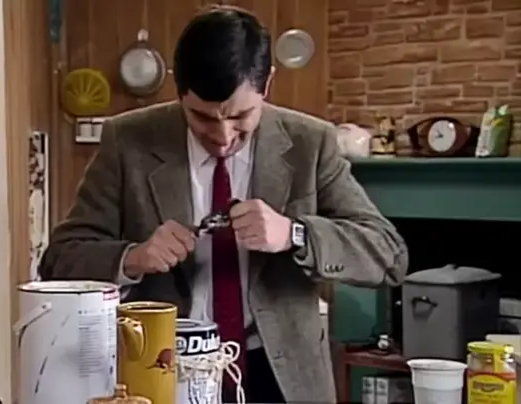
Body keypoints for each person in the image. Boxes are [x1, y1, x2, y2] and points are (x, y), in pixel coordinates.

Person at [39, 5, 408, 403]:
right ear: (178, 88)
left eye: (241, 116)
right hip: (161, 369)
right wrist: (133, 258)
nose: (223, 136)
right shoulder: (127, 141)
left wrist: (295, 234)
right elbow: (59, 260)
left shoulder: (311, 143)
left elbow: (388, 255)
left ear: (267, 83)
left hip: (282, 376)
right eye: (202, 118)